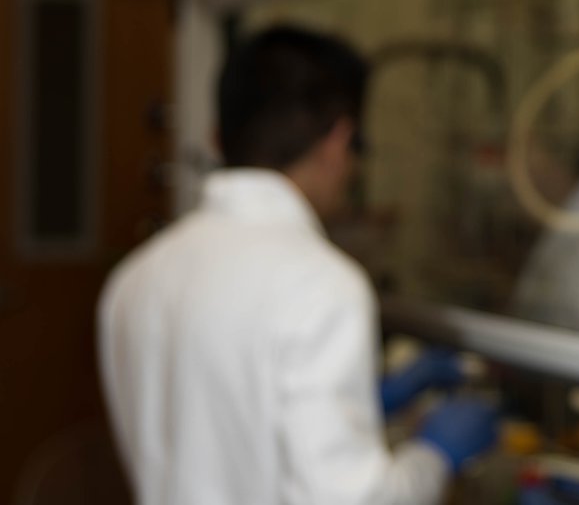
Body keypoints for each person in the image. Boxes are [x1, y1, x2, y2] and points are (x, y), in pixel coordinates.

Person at [99, 25, 500, 504]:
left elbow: (219, 424)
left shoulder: (136, 277)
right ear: (338, 139)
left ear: (216, 139)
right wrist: (436, 454)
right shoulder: (321, 286)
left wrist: (372, 398)